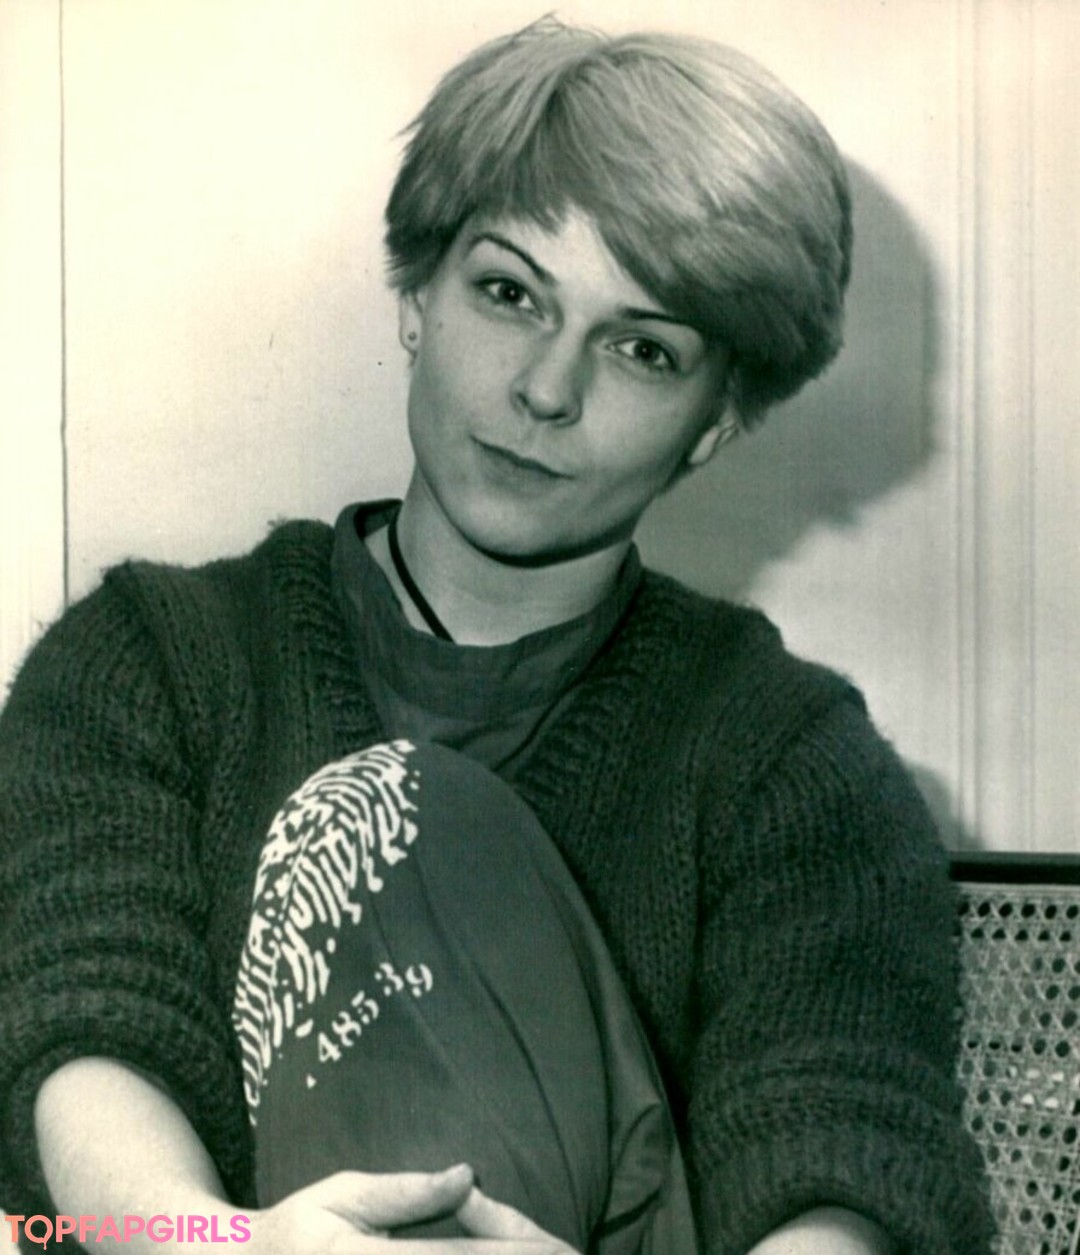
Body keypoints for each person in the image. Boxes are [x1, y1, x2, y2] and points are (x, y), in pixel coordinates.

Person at [0, 18, 992, 1255]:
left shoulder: (790, 763)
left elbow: (843, 1146)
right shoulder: (151, 661)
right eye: (511, 293)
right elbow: (86, 1026)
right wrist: (223, 1246)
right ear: (418, 292)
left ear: (716, 420)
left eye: (642, 348)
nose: (545, 389)